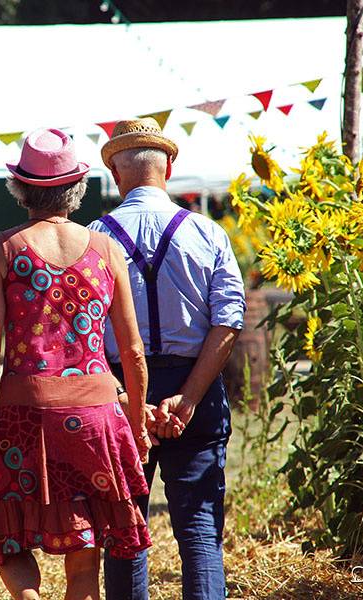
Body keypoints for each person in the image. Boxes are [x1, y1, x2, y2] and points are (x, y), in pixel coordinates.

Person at [0, 128, 154, 600]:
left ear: (21, 188)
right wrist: (136, 422)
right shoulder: (107, 250)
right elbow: (131, 350)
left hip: (25, 412)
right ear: (77, 188)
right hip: (96, 416)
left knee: (11, 536)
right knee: (84, 552)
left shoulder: (2, 249)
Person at [91, 118, 246, 600]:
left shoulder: (92, 239)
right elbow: (229, 321)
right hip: (194, 387)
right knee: (200, 534)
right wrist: (190, 398)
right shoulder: (208, 233)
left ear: (116, 174)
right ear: (170, 168)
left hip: (117, 393)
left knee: (125, 536)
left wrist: (128, 401)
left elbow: (85, 333)